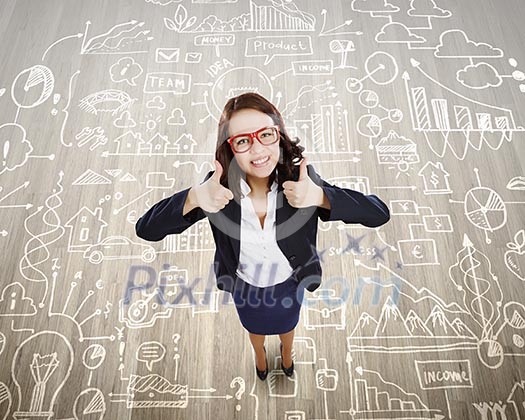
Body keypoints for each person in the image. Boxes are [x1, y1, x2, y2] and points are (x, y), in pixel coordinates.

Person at [135, 92, 390, 381]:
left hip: (289, 281)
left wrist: (320, 196)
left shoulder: (302, 182)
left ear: (278, 135)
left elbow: (378, 213)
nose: (257, 150)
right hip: (245, 286)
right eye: (243, 140)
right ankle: (259, 356)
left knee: (288, 326)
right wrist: (194, 197)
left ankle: (287, 354)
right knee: (254, 330)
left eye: (265, 134)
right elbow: (146, 229)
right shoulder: (216, 190)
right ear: (230, 148)